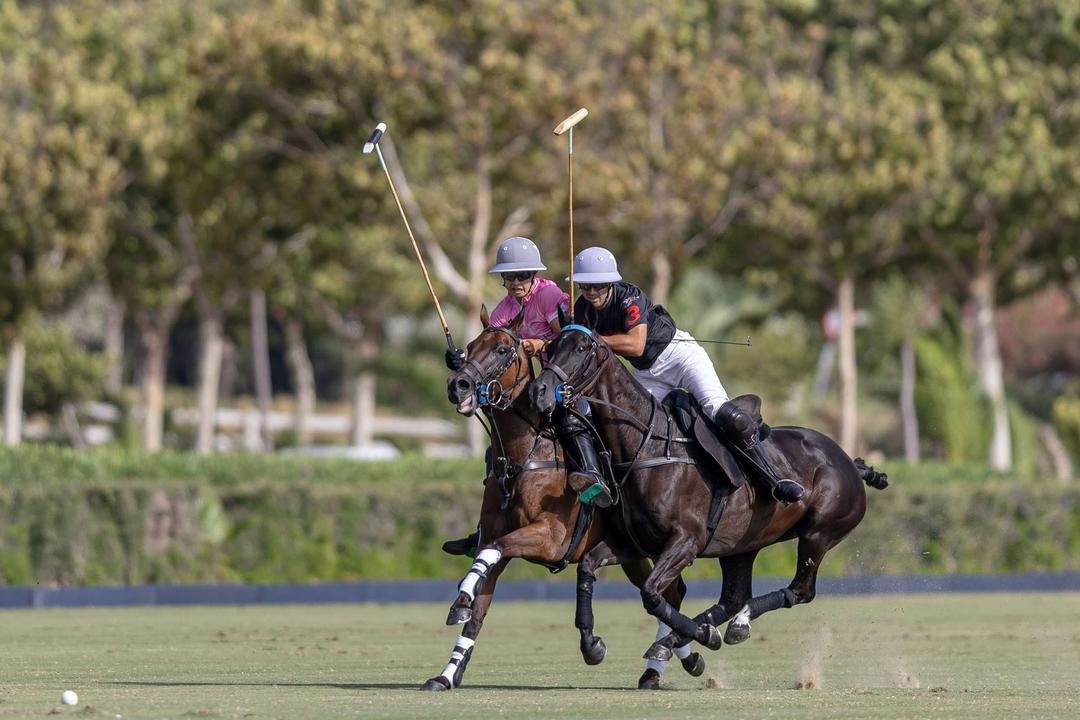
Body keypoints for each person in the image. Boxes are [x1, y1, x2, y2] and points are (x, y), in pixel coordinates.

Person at [556, 246, 804, 506]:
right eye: (585, 285)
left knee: (719, 410)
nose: (591, 291)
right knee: (617, 421)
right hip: (647, 372)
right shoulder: (582, 309)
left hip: (680, 357)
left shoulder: (629, 297)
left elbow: (636, 344)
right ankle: (606, 485)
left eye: (598, 285)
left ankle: (774, 478)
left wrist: (591, 338)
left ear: (611, 283)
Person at [442, 237, 570, 555]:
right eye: (509, 277)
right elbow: (489, 344)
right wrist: (463, 360)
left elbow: (569, 340)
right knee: (497, 448)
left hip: (568, 374)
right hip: (538, 383)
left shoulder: (549, 295)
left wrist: (540, 346)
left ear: (534, 275)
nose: (515, 283)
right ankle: (485, 530)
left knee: (575, 423)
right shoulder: (507, 308)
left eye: (522, 275)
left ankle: (594, 486)